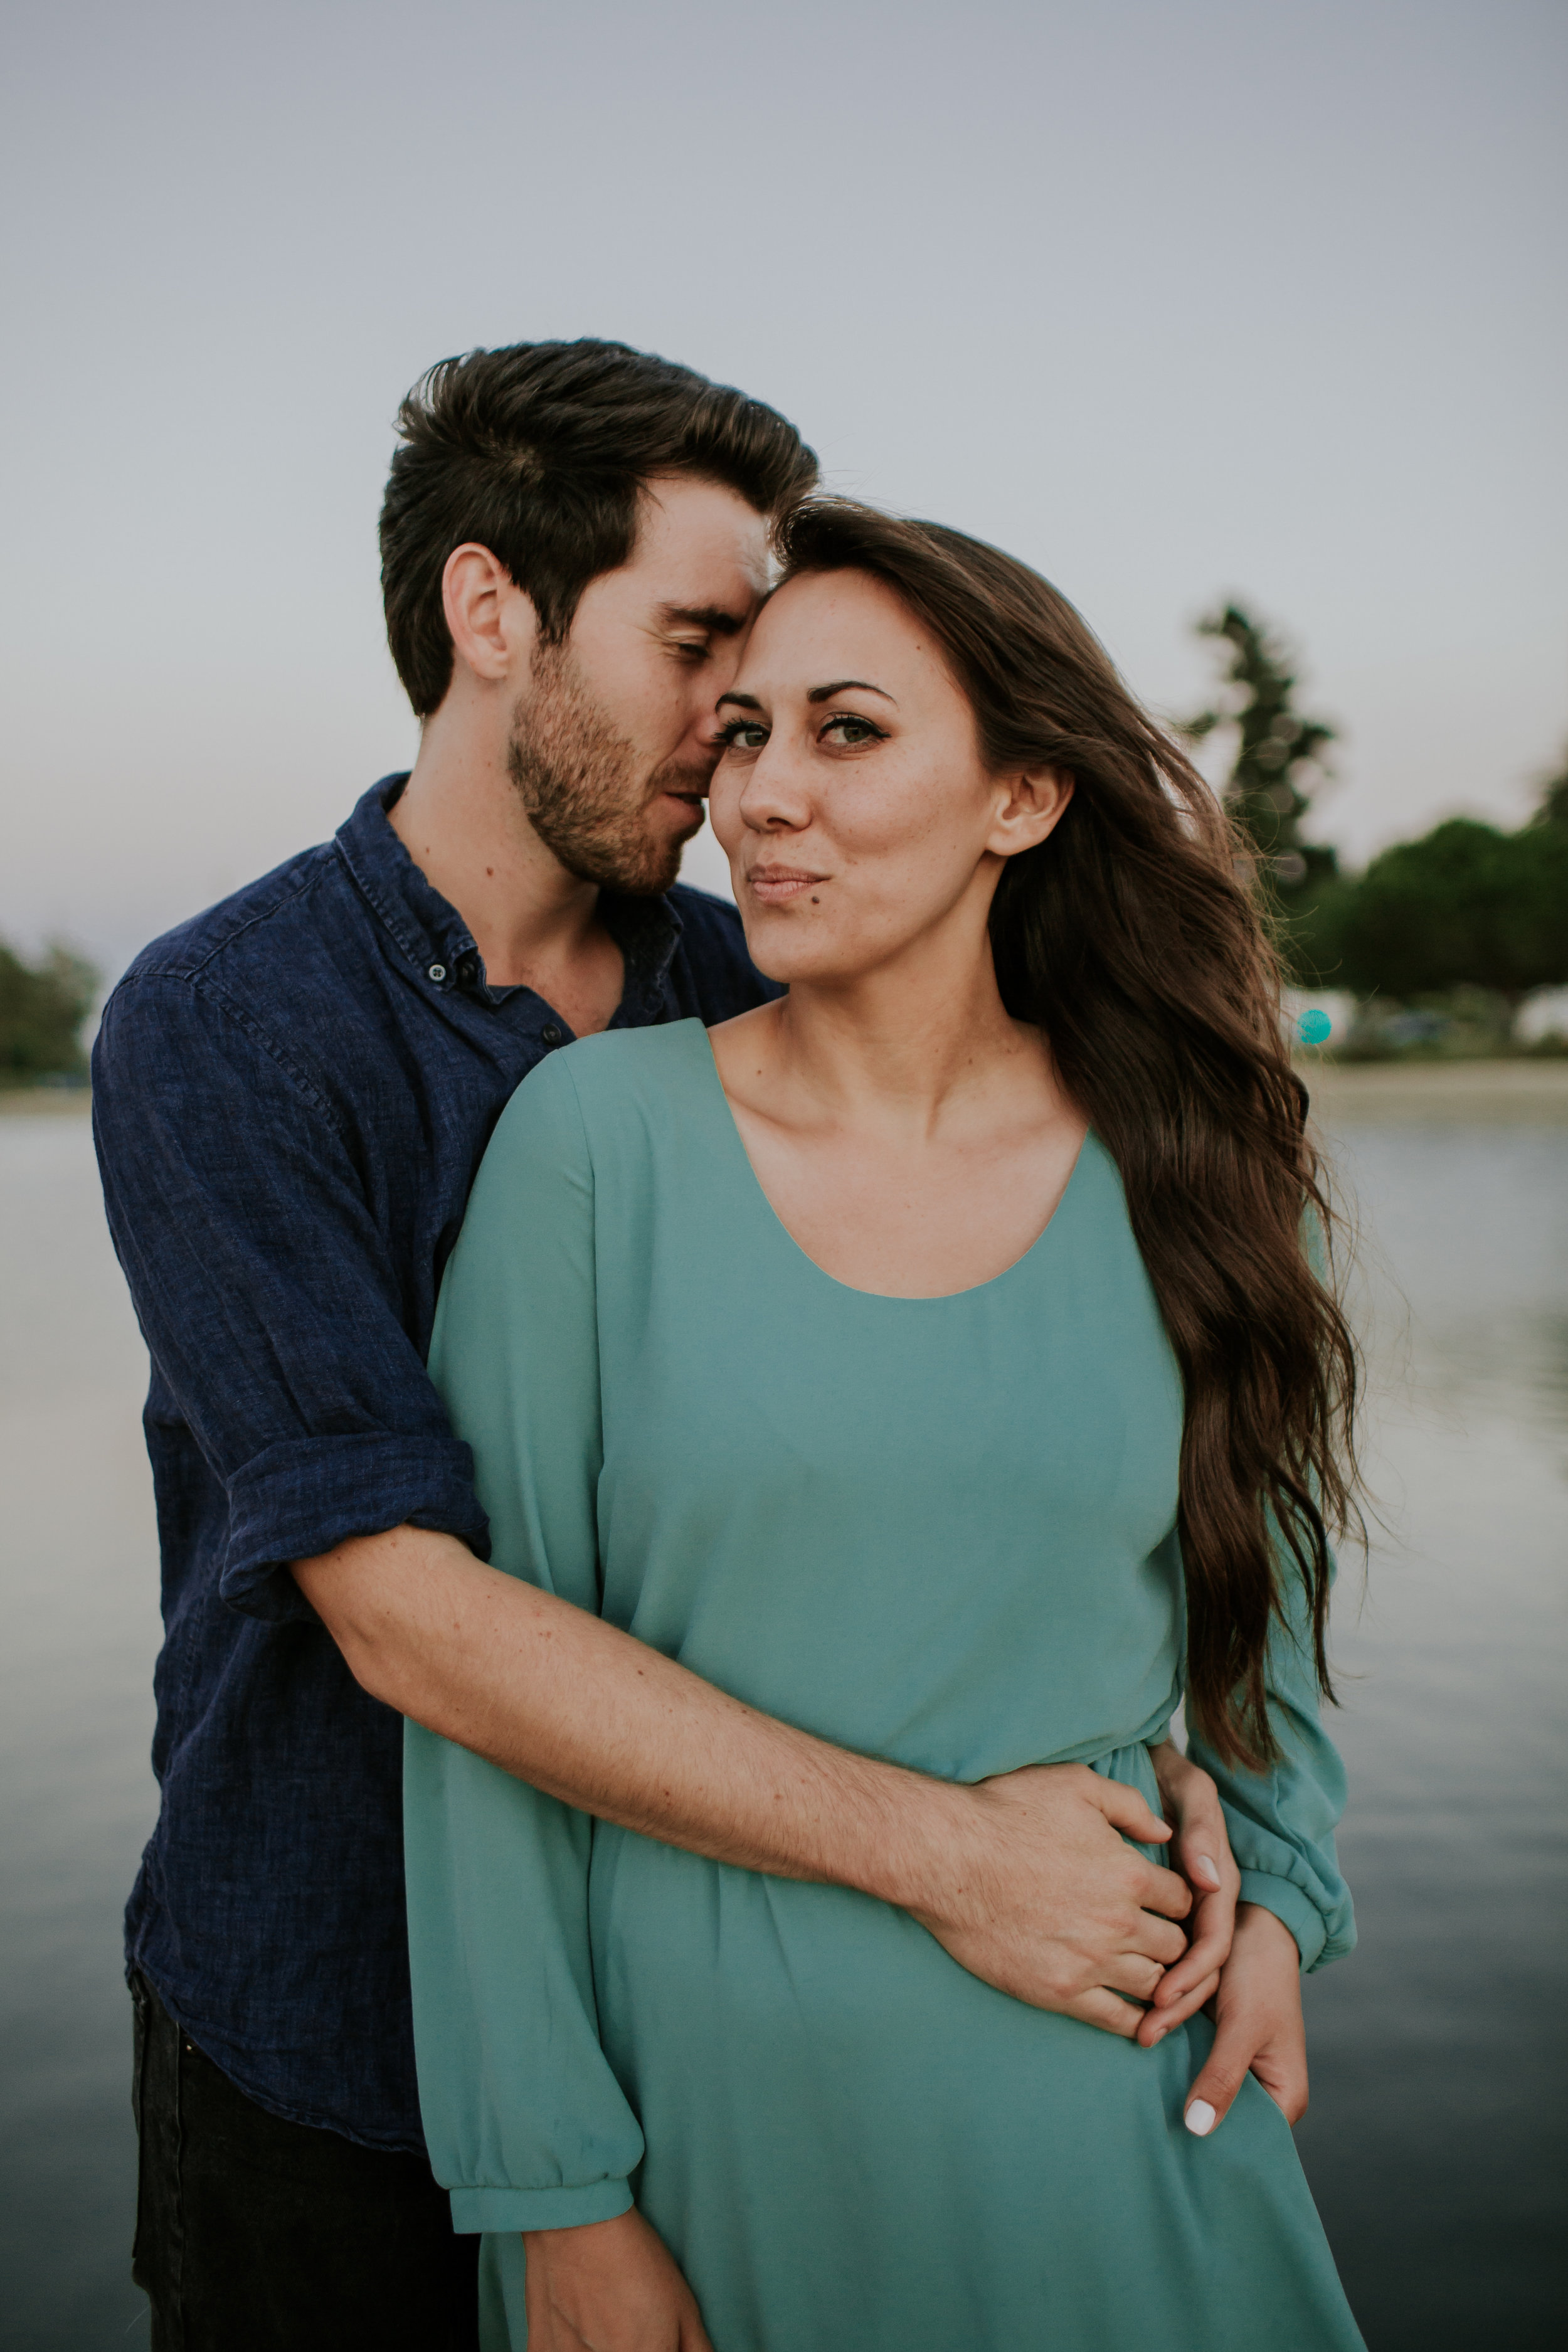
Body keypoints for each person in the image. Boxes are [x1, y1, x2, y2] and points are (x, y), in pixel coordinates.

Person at [93, 347, 1235, 2352]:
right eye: (699, 639)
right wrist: (955, 1856)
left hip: (727, 2027)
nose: (742, 731)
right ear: (488, 614)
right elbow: (405, 1616)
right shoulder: (228, 1023)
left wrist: (1172, 1775)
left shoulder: (746, 976)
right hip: (328, 2026)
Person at [405, 499, 1366, 2352]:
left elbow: (1276, 1628)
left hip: (1117, 2075)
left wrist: (1281, 1906)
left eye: (849, 732)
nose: (762, 795)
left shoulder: (1200, 1170)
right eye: (747, 732)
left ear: (1021, 797)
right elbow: (487, 1717)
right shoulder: (595, 1149)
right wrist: (551, 2194)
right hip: (707, 2128)